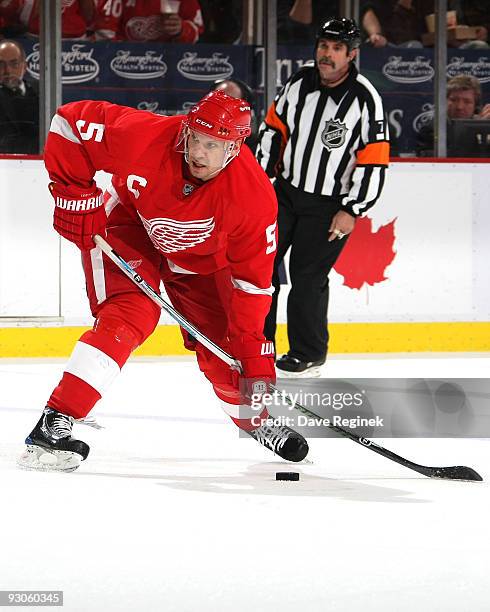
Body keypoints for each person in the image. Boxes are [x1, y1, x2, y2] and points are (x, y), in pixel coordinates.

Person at [18, 90, 309, 472]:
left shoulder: (253, 199)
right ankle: (54, 423)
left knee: (228, 348)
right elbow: (68, 123)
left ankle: (254, 419)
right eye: (196, 139)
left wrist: (253, 354)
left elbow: (252, 286)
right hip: (128, 225)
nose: (199, 153)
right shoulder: (148, 135)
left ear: (235, 148)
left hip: (201, 260)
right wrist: (74, 196)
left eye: (213, 145)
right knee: (131, 315)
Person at [256, 18, 389, 377]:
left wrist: (352, 210)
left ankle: (308, 352)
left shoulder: (366, 99)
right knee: (259, 267)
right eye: (323, 46)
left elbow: (374, 159)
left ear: (352, 54)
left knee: (307, 277)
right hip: (284, 193)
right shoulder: (299, 81)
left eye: (336, 49)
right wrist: (260, 179)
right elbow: (273, 129)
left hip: (329, 206)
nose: (326, 54)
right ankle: (257, 344)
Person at [416, 74, 490, 156]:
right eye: (454, 100)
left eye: (467, 102)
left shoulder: (485, 129)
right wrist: (475, 129)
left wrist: (483, 127)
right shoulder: (432, 129)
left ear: (476, 105)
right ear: (445, 101)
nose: (459, 107)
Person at [0, 38, 39, 153]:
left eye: (14, 64)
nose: (8, 71)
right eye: (1, 65)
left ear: (25, 66)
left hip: (36, 162)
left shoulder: (42, 93)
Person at [209, 78, 258, 150]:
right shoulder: (193, 136)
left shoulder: (256, 147)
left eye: (231, 103)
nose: (223, 109)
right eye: (218, 101)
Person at [120, 0, 203, 43]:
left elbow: (197, 33)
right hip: (126, 57)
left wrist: (182, 29)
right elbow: (110, 30)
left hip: (170, 59)